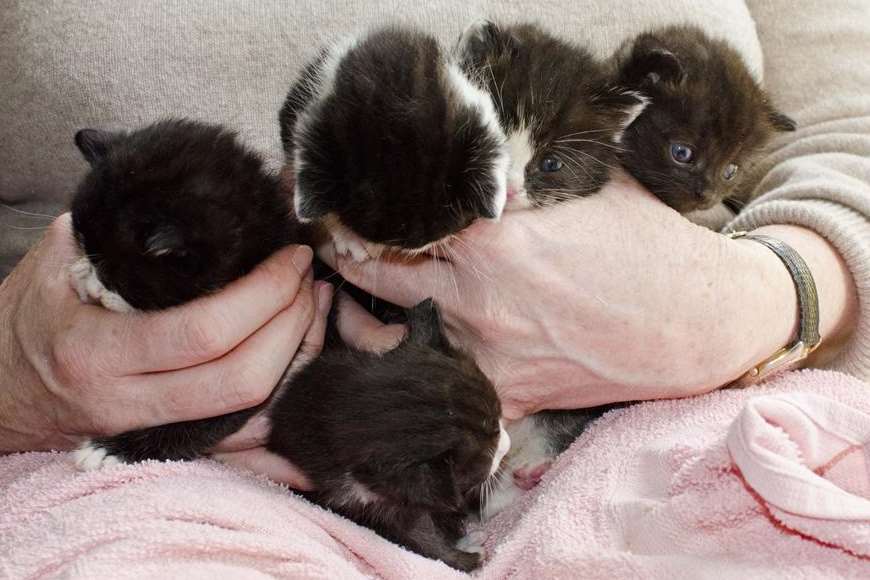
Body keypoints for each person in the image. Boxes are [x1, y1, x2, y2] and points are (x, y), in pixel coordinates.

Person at [0, 0, 867, 492]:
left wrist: (767, 300)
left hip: (680, 423)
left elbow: (851, 129)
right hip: (104, 467)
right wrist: (8, 376)